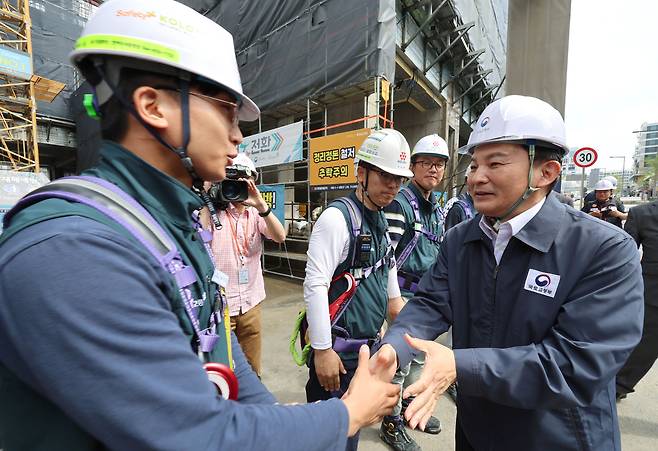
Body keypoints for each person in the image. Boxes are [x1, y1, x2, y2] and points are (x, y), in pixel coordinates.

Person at [0, 1, 399, 450]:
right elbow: (198, 436)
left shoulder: (167, 223)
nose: (238, 136)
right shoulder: (72, 250)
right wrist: (345, 413)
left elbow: (214, 335)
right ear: (154, 106)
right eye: (226, 110)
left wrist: (268, 417)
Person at [371, 95, 644, 451]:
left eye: (494, 163)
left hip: (557, 438)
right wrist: (393, 347)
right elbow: (429, 304)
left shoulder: (604, 251)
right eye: (473, 165)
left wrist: (459, 366)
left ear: (546, 172)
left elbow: (576, 364)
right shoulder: (460, 240)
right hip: (477, 433)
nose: (476, 178)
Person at [304, 128, 411, 451]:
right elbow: (315, 284)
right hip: (336, 355)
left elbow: (394, 299)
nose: (392, 185)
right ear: (361, 172)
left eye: (398, 178)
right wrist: (322, 350)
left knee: (349, 438)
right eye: (384, 175)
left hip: (366, 355)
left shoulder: (380, 220)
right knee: (327, 438)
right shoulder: (337, 219)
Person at [380, 134, 448, 451]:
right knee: (399, 364)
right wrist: (395, 301)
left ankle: (408, 410)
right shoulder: (401, 203)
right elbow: (385, 256)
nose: (433, 169)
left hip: (425, 299)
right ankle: (390, 423)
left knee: (419, 361)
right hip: (403, 298)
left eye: (439, 164)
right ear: (413, 165)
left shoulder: (434, 208)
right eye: (426, 163)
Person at [210, 153, 286, 377]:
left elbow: (280, 236)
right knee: (223, 367)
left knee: (252, 367)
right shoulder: (213, 212)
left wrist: (262, 205)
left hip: (251, 302)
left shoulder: (256, 213)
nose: (238, 189)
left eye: (245, 182)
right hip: (221, 305)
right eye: (232, 181)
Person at [616, 200, 658, 400]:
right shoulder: (641, 214)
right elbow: (626, 258)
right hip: (652, 297)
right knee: (643, 348)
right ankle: (619, 385)